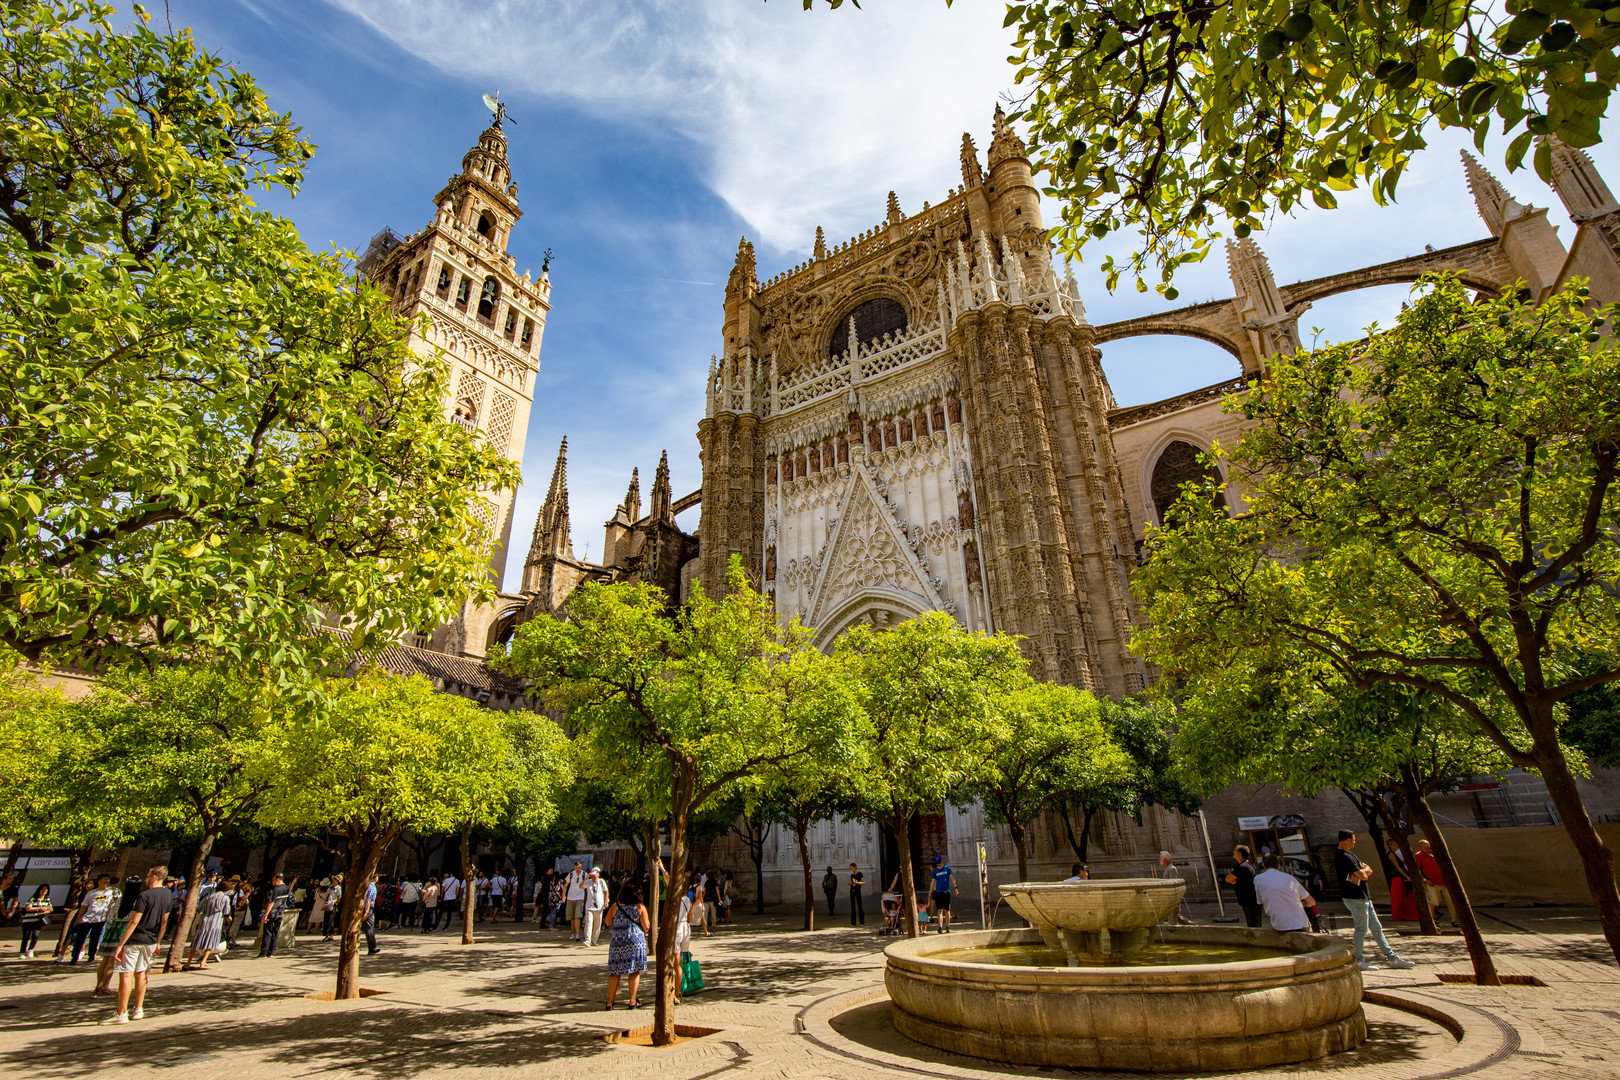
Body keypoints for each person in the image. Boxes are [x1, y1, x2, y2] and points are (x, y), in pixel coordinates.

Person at [101, 865, 173, 1025]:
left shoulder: (144, 896)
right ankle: (138, 1009)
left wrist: (120, 944)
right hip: (151, 940)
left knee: (126, 974)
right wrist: (158, 942)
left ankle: (121, 1012)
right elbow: (164, 921)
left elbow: (134, 921)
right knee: (141, 973)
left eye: (148, 876)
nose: (146, 879)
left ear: (154, 877)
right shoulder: (168, 896)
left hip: (136, 938)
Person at [1335, 830, 1414, 972]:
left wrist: (1364, 871)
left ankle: (1392, 958)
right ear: (1346, 840)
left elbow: (1367, 869)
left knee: (1376, 928)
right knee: (1361, 929)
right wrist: (1363, 872)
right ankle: (1358, 960)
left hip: (1364, 897)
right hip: (1355, 898)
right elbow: (1363, 875)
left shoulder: (1351, 855)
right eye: (1353, 839)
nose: (1354, 841)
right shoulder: (1342, 857)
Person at [603, 881, 649, 1010]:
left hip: (617, 942)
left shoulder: (616, 906)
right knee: (634, 971)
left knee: (614, 972)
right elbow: (646, 927)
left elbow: (607, 922)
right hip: (635, 942)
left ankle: (610, 1002)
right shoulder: (640, 907)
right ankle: (632, 1001)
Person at [93, 879, 138, 996]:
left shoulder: (120, 899)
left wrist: (108, 927)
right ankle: (105, 986)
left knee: (105, 960)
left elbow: (111, 914)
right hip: (123, 929)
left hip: (113, 928)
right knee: (112, 961)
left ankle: (98, 985)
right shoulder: (136, 902)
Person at [1254, 854, 1319, 932]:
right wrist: (1299, 902)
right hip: (1300, 923)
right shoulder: (1289, 878)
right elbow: (1311, 902)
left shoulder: (1258, 879)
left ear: (1264, 866)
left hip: (1279, 925)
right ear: (1278, 866)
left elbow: (1260, 901)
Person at [69, 875, 117, 964]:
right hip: (88, 919)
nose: (106, 881)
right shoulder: (91, 893)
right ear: (99, 881)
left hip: (100, 919)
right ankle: (74, 957)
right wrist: (78, 919)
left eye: (108, 879)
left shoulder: (110, 892)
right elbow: (83, 907)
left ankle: (91, 956)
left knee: (95, 939)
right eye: (104, 879)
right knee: (80, 938)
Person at [185, 882, 231, 969]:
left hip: (204, 920)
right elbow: (226, 911)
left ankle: (188, 961)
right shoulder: (225, 898)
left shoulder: (209, 896)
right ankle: (203, 961)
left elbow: (200, 909)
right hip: (216, 922)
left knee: (197, 941)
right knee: (210, 942)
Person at [1413, 839, 1451, 924]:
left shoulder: (1435, 853)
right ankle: (1432, 918)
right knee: (1434, 900)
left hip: (1442, 881)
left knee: (1447, 901)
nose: (1427, 848)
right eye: (1424, 847)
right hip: (1431, 882)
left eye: (1428, 846)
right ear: (1420, 847)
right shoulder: (1418, 856)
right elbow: (1418, 870)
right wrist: (1425, 880)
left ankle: (1453, 920)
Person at [1225, 845, 1262, 928]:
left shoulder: (1242, 867)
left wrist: (1232, 879)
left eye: (1235, 850)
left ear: (1240, 854)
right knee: (1253, 923)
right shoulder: (1247, 865)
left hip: (1249, 900)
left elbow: (1228, 878)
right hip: (1250, 900)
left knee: (1253, 925)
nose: (1233, 852)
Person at [258, 874, 290, 958]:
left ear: (277, 880)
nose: (272, 882)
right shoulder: (286, 888)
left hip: (272, 913)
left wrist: (266, 914)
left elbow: (271, 902)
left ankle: (264, 952)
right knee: (275, 932)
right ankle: (271, 951)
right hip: (280, 913)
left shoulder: (276, 889)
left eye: (273, 880)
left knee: (268, 932)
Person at [17, 884, 51, 959]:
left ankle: (31, 949)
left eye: (46, 890)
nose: (44, 891)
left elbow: (50, 908)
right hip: (28, 921)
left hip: (38, 921)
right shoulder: (33, 899)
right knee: (26, 937)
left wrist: (46, 911)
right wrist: (39, 908)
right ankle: (22, 952)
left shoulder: (47, 899)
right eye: (43, 890)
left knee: (35, 935)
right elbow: (28, 908)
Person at [928, 855, 957, 934]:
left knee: (947, 910)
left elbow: (952, 877)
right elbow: (933, 882)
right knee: (939, 910)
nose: (938, 865)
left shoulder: (947, 868)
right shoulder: (935, 871)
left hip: (946, 892)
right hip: (938, 892)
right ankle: (940, 927)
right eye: (937, 864)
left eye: (939, 863)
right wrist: (930, 893)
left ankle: (947, 926)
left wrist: (955, 887)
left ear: (941, 862)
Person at [581, 868, 609, 947]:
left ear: (598, 875)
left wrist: (606, 901)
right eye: (592, 876)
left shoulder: (601, 882)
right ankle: (587, 940)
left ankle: (594, 940)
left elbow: (606, 891)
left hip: (599, 906)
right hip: (589, 906)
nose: (593, 878)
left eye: (595, 876)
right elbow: (581, 886)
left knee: (597, 924)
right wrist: (586, 878)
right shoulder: (589, 882)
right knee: (589, 923)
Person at [564, 860, 586, 940]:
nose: (578, 868)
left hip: (580, 897)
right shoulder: (571, 874)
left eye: (579, 867)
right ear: (574, 867)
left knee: (578, 916)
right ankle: (572, 933)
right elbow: (565, 885)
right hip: (570, 897)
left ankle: (577, 934)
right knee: (572, 917)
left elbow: (586, 885)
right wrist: (564, 896)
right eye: (576, 867)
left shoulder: (584, 874)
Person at [362, 875, 380, 956]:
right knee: (369, 928)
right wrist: (366, 912)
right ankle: (372, 947)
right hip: (368, 909)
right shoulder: (371, 887)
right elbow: (368, 900)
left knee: (368, 928)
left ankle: (372, 947)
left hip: (365, 908)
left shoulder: (366, 885)